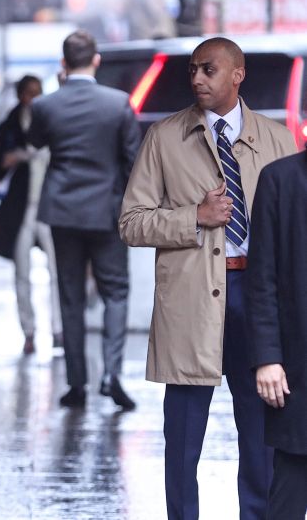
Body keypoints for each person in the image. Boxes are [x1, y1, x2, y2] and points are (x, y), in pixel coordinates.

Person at [119, 36, 297, 520]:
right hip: (190, 297)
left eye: (209, 69)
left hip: (257, 298)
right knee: (182, 434)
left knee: (261, 429)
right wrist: (194, 216)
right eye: (193, 69)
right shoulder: (164, 138)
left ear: (237, 75)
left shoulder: (277, 139)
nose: (196, 78)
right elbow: (131, 222)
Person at [28, 30, 141, 410]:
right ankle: (111, 375)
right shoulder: (118, 104)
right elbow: (133, 160)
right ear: (96, 60)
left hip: (63, 211)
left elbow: (36, 142)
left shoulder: (46, 105)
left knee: (70, 296)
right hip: (107, 212)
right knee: (116, 293)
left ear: (63, 63)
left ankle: (77, 383)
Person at [245, 151, 307, 520]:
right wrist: (267, 357)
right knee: (290, 487)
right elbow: (261, 277)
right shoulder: (279, 179)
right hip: (299, 364)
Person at [0, 75, 63, 355]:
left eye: (38, 92)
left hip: (49, 208)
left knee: (58, 270)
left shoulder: (53, 122)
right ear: (20, 95)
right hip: (21, 209)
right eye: (29, 92)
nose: (34, 97)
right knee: (22, 272)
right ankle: (28, 331)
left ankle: (58, 329)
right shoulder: (10, 124)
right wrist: (13, 157)